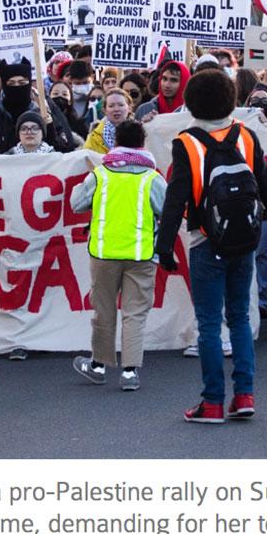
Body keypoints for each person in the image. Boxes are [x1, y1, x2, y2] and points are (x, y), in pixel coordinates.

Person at [156, 68, 267, 422]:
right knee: (239, 318)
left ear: (191, 102)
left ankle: (213, 400)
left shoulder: (187, 142)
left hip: (206, 240)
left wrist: (165, 245)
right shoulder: (246, 136)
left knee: (208, 323)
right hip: (243, 240)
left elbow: (176, 198)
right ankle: (244, 395)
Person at [70, 118, 166, 391]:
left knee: (104, 310)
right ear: (142, 144)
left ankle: (99, 365)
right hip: (142, 254)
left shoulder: (101, 174)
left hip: (104, 252)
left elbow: (76, 203)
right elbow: (167, 208)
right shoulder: (152, 178)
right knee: (135, 314)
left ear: (115, 143)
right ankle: (129, 373)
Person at [85, 88, 132, 154]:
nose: (116, 109)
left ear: (129, 108)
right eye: (111, 106)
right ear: (104, 110)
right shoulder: (94, 137)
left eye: (121, 105)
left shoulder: (139, 132)